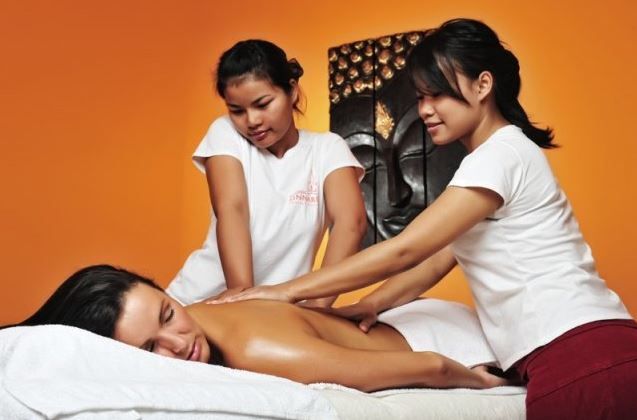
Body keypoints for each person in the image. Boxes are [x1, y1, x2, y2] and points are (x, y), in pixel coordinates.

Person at [217, 19, 637, 418]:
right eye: (420, 97)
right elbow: (436, 261)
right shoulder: (494, 161)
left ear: (483, 85)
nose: (425, 110)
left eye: (437, 94)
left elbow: (407, 249)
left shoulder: (501, 155)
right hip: (583, 354)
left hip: (582, 356)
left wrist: (283, 292)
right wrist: (371, 305)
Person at [7, 264, 508, 392]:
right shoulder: (198, 312)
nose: (180, 344)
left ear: (165, 292)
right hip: (406, 317)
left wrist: (484, 382)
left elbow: (431, 367)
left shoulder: (260, 354)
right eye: (149, 348)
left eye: (167, 314)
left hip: (446, 339)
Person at [167, 40, 366, 307]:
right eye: (237, 111)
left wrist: (317, 308)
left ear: (292, 91)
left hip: (277, 315)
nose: (252, 121)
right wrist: (242, 295)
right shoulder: (225, 133)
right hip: (199, 302)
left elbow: (351, 223)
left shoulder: (327, 149)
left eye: (262, 104)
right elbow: (232, 209)